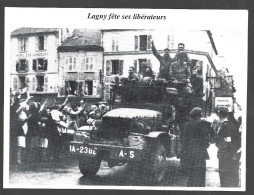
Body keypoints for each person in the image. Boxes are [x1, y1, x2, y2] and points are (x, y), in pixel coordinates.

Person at [181, 107, 210, 187]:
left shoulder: (186, 125)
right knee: (200, 174)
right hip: (200, 152)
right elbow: (206, 139)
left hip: (189, 152)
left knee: (191, 175)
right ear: (198, 115)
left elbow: (183, 140)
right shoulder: (202, 124)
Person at [215, 106, 241, 187]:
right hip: (229, 151)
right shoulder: (232, 123)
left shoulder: (225, 125)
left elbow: (228, 139)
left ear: (219, 114)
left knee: (223, 173)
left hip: (225, 152)